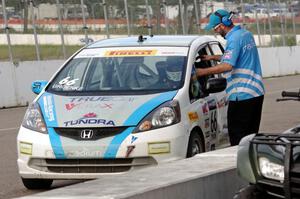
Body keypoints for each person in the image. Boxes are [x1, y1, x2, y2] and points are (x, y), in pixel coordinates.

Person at [197, 9, 265, 146]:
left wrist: (201, 72)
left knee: (237, 139)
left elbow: (227, 66)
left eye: (215, 28)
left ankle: (239, 166)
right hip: (256, 93)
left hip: (241, 96)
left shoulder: (233, 40)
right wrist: (213, 57)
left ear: (222, 25)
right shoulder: (245, 34)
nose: (215, 32)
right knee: (251, 138)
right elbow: (236, 57)